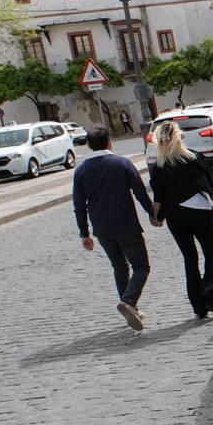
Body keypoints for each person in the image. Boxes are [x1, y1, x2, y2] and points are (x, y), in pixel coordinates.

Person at [72, 126, 156, 331]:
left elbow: (79, 204)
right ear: (110, 142)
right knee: (141, 266)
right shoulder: (122, 163)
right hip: (126, 224)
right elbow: (139, 192)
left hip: (102, 228)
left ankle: (130, 308)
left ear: (89, 146)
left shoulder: (81, 170)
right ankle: (128, 302)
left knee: (119, 267)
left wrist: (84, 233)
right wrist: (153, 214)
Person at [149, 121, 213, 320]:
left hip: (175, 215)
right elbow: (211, 184)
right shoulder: (194, 157)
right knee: (211, 254)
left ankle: (198, 307)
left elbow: (158, 196)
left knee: (190, 259)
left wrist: (155, 216)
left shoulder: (158, 166)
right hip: (200, 211)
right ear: (179, 137)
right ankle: (209, 296)